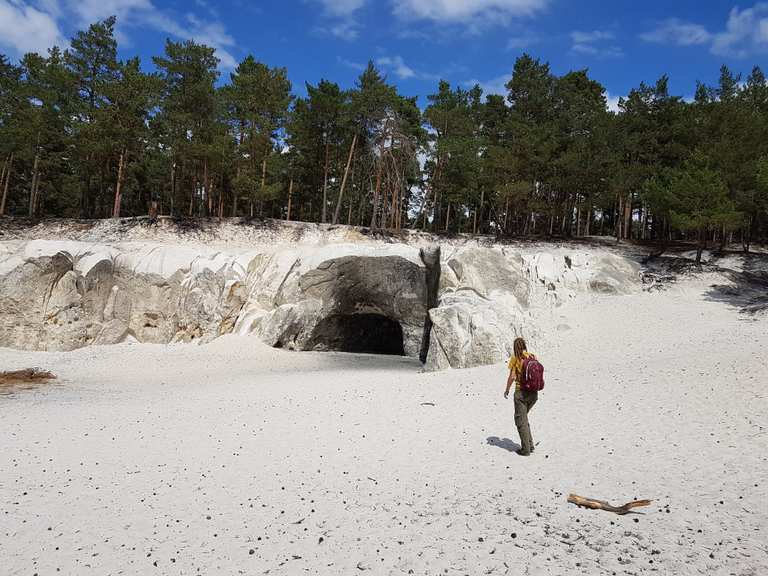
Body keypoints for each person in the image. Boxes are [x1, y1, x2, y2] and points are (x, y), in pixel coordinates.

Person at [504, 337, 538, 456]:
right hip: (534, 394)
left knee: (520, 420)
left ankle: (526, 449)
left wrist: (507, 389)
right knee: (524, 418)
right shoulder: (532, 356)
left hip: (521, 394)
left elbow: (512, 377)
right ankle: (530, 445)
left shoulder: (515, 359)